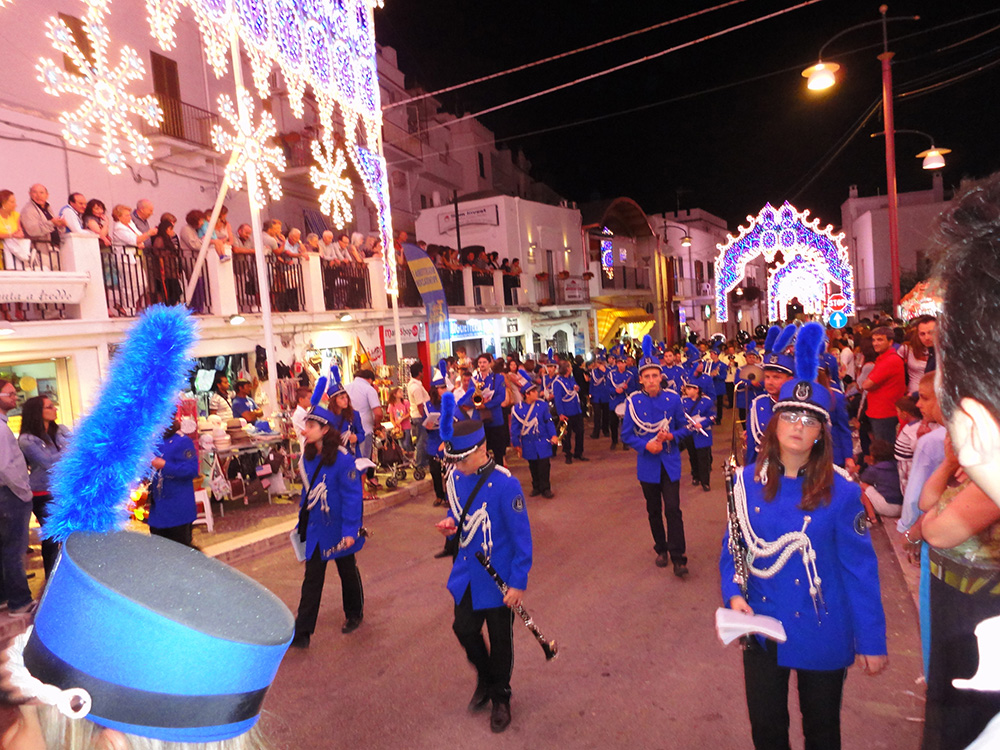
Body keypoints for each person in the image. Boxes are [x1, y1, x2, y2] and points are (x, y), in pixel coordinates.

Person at [720, 321, 888, 750]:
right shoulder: (743, 484)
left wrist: (871, 640)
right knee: (768, 731)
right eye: (789, 416)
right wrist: (734, 593)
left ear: (820, 435)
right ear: (774, 426)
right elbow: (734, 548)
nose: (797, 426)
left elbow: (860, 572)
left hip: (822, 625)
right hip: (761, 624)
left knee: (823, 732)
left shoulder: (845, 494)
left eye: (808, 420)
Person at [434, 394, 532, 734]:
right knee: (463, 629)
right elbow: (461, 511)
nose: (457, 467)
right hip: (467, 574)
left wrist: (518, 582)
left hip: (499, 577)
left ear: (481, 450)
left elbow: (522, 539)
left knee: (501, 640)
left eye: (462, 461)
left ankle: (500, 697)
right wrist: (451, 523)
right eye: (455, 462)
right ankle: (488, 679)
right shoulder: (457, 478)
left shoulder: (506, 483)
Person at [291, 377, 366, 647]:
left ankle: (354, 613)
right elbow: (307, 493)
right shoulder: (308, 458)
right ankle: (302, 632)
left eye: (309, 426)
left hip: (338, 527)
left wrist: (350, 531)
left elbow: (352, 498)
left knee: (347, 570)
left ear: (324, 430)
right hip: (316, 529)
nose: (304, 431)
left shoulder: (344, 460)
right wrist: (302, 523)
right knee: (312, 579)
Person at [622, 336, 691, 574]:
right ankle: (661, 548)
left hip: (670, 462)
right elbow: (627, 434)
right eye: (647, 376)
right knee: (653, 510)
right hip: (648, 465)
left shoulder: (673, 399)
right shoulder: (633, 402)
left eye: (655, 375)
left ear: (661, 377)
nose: (652, 380)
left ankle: (679, 556)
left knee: (673, 508)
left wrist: (672, 436)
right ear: (640, 379)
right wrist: (644, 446)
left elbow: (684, 428)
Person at [16, 395, 69, 579]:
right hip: (42, 492)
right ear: (38, 412)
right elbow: (47, 462)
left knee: (70, 534)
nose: (54, 409)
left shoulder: (60, 430)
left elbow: (78, 446)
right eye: (49, 407)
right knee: (52, 537)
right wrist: (69, 450)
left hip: (63, 489)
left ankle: (68, 575)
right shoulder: (27, 439)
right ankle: (52, 579)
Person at [0, 379, 33, 615]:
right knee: (14, 549)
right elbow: (4, 467)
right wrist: (23, 491)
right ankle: (20, 601)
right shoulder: (0, 428)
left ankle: (5, 595)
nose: (15, 398)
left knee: (5, 549)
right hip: (8, 494)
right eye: (10, 394)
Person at [745, 326, 796, 464]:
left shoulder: (799, 405)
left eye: (776, 377)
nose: (770, 382)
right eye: (767, 377)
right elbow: (752, 444)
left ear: (790, 380)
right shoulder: (758, 404)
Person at [147, 416, 199, 547]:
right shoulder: (154, 443)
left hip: (178, 509)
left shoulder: (183, 442)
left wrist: (165, 465)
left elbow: (191, 470)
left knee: (181, 551)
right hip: (158, 510)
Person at [510, 381, 558, 498]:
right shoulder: (518, 409)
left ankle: (546, 488)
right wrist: (516, 443)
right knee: (533, 465)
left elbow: (548, 421)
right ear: (527, 394)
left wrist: (553, 435)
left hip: (542, 440)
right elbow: (515, 427)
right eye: (533, 391)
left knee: (544, 465)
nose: (536, 393)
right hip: (528, 442)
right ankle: (536, 486)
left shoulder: (542, 405)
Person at [861, 326, 907, 445]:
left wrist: (871, 384)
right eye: (874, 340)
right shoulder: (884, 359)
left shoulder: (890, 360)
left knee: (884, 449)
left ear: (890, 342)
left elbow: (866, 385)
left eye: (880, 340)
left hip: (884, 412)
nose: (875, 343)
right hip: (880, 410)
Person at [458, 354, 506, 466]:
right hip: (479, 418)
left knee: (498, 450)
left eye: (484, 362)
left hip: (495, 418)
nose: (482, 365)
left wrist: (487, 404)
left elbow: (501, 397)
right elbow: (469, 397)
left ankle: (499, 471)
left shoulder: (498, 378)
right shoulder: (474, 380)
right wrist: (476, 403)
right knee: (480, 449)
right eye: (480, 363)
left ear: (490, 363)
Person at [345, 367, 383, 469]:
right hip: (365, 430)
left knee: (350, 463)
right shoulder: (369, 389)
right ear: (370, 379)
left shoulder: (345, 387)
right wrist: (377, 423)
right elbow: (378, 413)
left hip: (346, 431)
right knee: (363, 463)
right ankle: (362, 483)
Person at [680, 381, 714, 492]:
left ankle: (705, 482)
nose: (687, 391)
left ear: (696, 390)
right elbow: (680, 416)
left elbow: (713, 416)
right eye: (687, 389)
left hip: (703, 433)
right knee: (693, 456)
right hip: (690, 433)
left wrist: (702, 424)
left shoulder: (707, 401)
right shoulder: (683, 401)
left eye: (690, 389)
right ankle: (695, 476)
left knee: (703, 458)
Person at [858, 439, 903, 521]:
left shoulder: (874, 469)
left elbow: (863, 478)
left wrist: (869, 465)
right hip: (903, 507)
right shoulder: (897, 465)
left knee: (862, 486)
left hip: (888, 507)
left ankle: (872, 518)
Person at [553, 360, 586, 464]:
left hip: (576, 410)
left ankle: (578, 452)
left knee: (580, 432)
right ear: (567, 369)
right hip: (566, 412)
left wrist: (577, 388)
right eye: (570, 367)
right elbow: (558, 399)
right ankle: (568, 454)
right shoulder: (558, 382)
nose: (572, 368)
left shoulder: (571, 378)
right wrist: (561, 413)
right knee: (566, 435)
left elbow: (576, 388)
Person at [896, 315, 936, 396]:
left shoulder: (947, 353)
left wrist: (915, 395)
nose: (927, 337)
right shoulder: (931, 352)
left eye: (931, 333)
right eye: (922, 334)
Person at [608, 354, 636, 450]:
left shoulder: (630, 375)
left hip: (625, 401)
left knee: (626, 424)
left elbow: (634, 389)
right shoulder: (611, 374)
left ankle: (625, 441)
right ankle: (614, 441)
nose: (621, 365)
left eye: (623, 363)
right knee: (613, 423)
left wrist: (627, 389)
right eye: (619, 363)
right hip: (614, 401)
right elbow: (607, 388)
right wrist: (615, 391)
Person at [408, 361, 431, 469]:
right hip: (419, 416)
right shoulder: (416, 387)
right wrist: (425, 417)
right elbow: (420, 405)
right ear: (420, 373)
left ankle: (422, 461)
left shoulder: (413, 385)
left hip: (416, 416)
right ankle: (420, 463)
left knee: (421, 440)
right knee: (422, 440)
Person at [705, 347, 729, 425]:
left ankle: (719, 418)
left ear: (716, 355)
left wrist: (716, 375)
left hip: (719, 386)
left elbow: (723, 377)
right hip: (711, 386)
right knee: (710, 403)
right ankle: (710, 417)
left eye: (712, 354)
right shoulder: (709, 364)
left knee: (719, 404)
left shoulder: (722, 365)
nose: (711, 355)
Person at [589, 355, 610, 439]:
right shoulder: (594, 372)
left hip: (606, 395)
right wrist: (590, 394)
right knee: (597, 416)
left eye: (601, 362)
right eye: (598, 362)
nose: (600, 364)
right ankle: (596, 432)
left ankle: (606, 430)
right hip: (596, 396)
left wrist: (604, 371)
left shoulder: (609, 371)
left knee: (606, 415)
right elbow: (592, 384)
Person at [387, 386, 413, 453]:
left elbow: (410, 413)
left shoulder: (405, 402)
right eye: (400, 392)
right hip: (398, 428)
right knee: (401, 445)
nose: (402, 393)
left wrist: (402, 418)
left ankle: (409, 454)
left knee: (406, 443)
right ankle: (404, 458)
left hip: (406, 426)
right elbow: (391, 417)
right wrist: (395, 425)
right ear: (394, 394)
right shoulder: (391, 405)